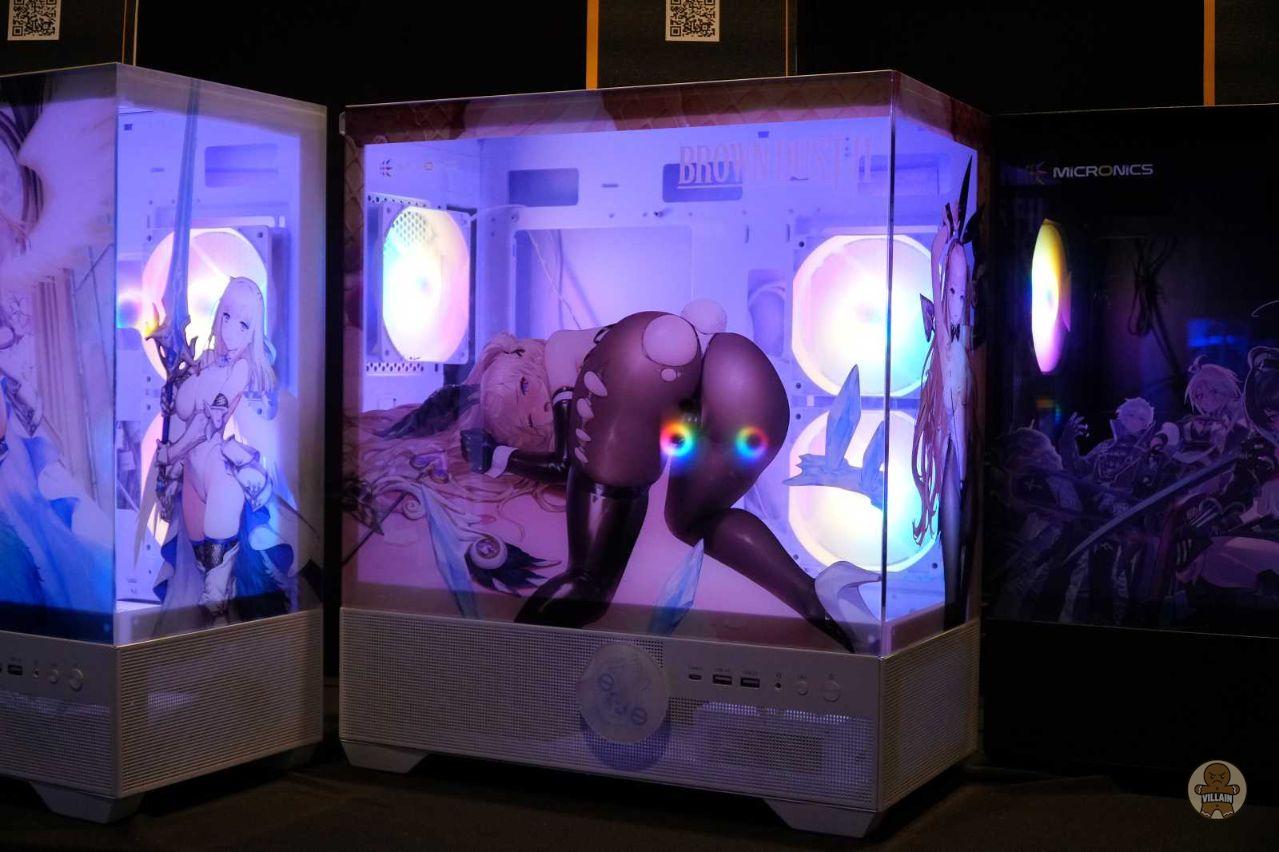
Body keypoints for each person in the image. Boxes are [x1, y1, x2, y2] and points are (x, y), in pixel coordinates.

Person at [459, 301, 858, 651]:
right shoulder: (597, 346)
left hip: (702, 386)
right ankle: (816, 596)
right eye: (531, 421)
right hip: (746, 381)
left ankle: (505, 664)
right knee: (692, 521)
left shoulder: (562, 351)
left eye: (523, 386)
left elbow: (565, 464)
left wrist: (497, 457)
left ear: (522, 352)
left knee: (588, 581)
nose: (540, 406)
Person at [153, 276, 289, 626]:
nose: (230, 330)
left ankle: (224, 617)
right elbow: (183, 408)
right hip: (192, 473)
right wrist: (178, 386)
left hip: (220, 468)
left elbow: (209, 421)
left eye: (242, 324)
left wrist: (172, 452)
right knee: (199, 563)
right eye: (226, 316)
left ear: (253, 331)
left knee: (216, 581)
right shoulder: (204, 360)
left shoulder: (243, 369)